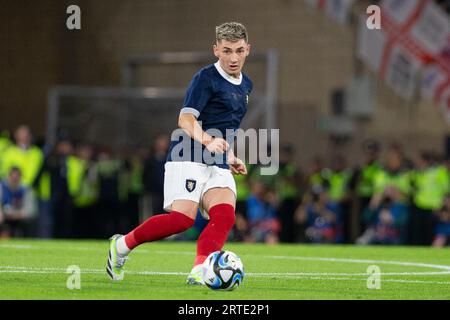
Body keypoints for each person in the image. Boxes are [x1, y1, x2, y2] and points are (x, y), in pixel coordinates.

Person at [106, 22, 252, 285]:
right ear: (216, 49)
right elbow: (185, 120)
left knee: (225, 216)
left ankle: (200, 270)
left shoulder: (246, 84)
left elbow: (226, 125)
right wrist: (208, 141)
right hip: (189, 153)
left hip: (216, 159)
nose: (233, 57)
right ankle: (122, 246)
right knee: (182, 220)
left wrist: (229, 156)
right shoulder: (205, 78)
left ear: (247, 50)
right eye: (227, 50)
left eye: (239, 51)